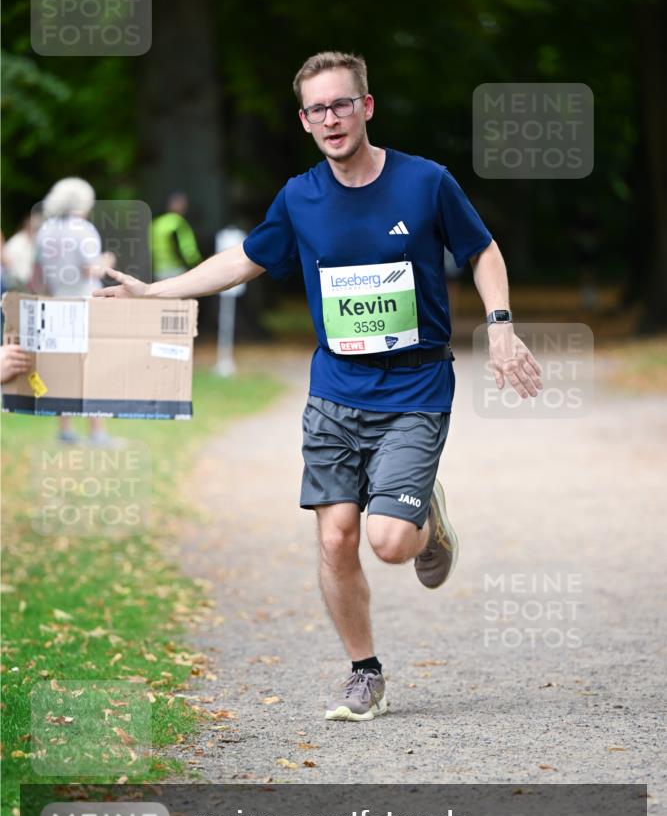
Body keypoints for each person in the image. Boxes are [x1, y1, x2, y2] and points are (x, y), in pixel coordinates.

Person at [95, 51, 542, 721]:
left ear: (365, 106)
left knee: (389, 542)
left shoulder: (425, 183)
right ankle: (363, 672)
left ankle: (425, 517)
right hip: (335, 391)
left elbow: (481, 249)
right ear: (303, 122)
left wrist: (501, 325)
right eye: (315, 110)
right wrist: (156, 291)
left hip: (414, 389)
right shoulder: (299, 198)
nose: (330, 119)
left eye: (340, 104)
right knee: (335, 536)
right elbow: (243, 259)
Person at [33, 177, 116, 444]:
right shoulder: (84, 230)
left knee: (63, 369)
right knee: (91, 368)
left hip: (56, 303)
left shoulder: (45, 230)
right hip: (85, 303)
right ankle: (97, 431)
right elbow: (91, 269)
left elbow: (38, 275)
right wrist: (108, 260)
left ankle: (65, 428)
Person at [150, 192, 202, 281]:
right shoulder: (178, 222)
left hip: (158, 271)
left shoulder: (156, 223)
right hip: (177, 269)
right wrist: (198, 265)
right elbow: (188, 249)